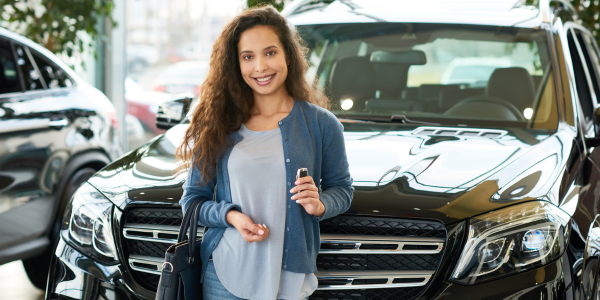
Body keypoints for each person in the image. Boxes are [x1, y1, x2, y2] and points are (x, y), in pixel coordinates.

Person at [176, 5, 354, 300]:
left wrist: (320, 203)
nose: (260, 67)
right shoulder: (219, 125)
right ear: (237, 64)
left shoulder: (322, 125)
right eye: (248, 57)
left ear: (287, 54)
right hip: (225, 275)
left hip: (291, 279)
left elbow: (343, 190)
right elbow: (192, 201)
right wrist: (233, 217)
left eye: (270, 52)